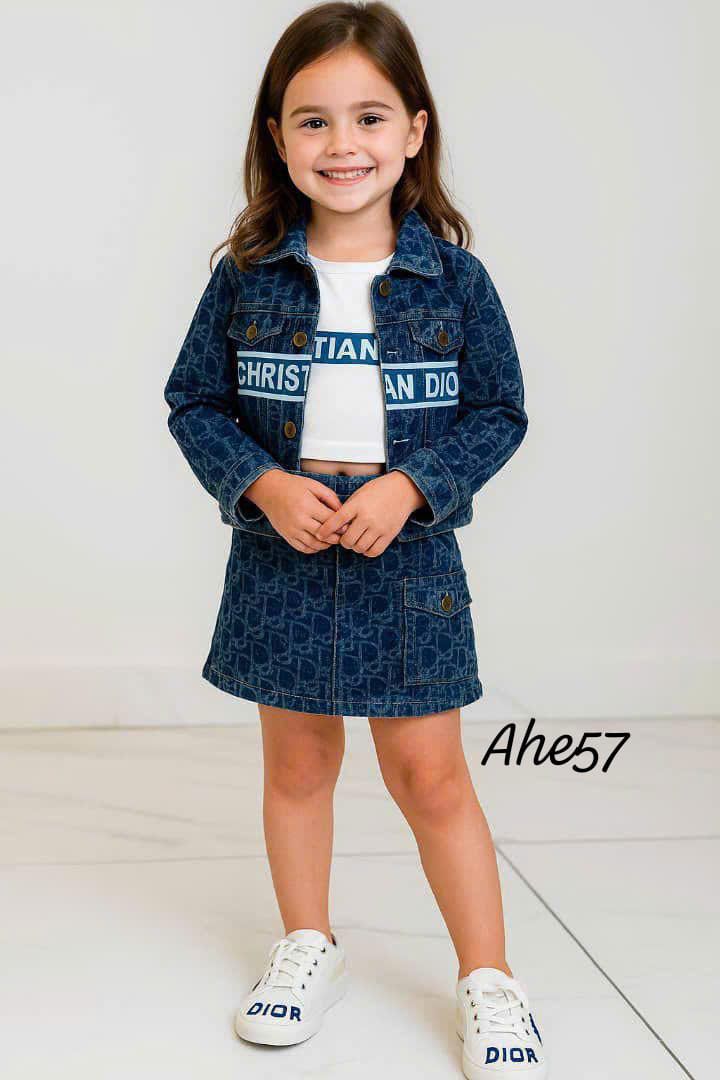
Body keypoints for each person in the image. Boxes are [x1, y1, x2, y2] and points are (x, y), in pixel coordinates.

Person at [163, 2, 547, 1076]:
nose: (343, 144)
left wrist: (414, 488)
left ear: (415, 130)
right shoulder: (246, 276)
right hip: (280, 553)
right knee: (297, 765)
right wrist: (262, 485)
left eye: (370, 117)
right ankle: (308, 944)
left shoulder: (455, 283)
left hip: (408, 558)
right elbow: (195, 402)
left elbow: (500, 411)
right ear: (277, 137)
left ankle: (489, 978)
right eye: (314, 121)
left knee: (431, 775)